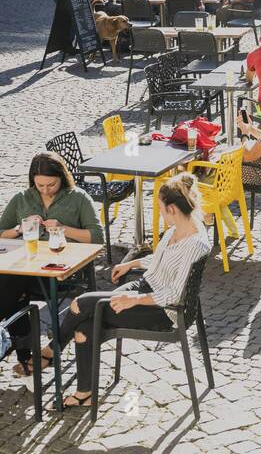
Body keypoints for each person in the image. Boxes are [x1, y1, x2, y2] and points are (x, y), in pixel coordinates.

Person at [53, 173, 210, 410]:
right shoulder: (178, 228)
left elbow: (174, 295)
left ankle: (49, 353)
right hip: (145, 287)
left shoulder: (195, 243)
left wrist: (133, 300)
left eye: (160, 208)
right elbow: (160, 261)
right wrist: (131, 264)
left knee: (82, 304)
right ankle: (84, 391)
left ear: (171, 209)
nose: (159, 212)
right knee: (85, 321)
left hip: (162, 310)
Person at [0, 153, 104, 377]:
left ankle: (19, 351)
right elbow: (1, 232)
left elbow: (97, 237)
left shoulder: (79, 198)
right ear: (32, 181)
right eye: (40, 185)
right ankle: (26, 357)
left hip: (63, 274)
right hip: (26, 270)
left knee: (9, 285)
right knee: (9, 282)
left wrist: (62, 228)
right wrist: (20, 229)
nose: (46, 189)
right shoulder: (22, 198)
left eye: (51, 184)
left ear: (62, 177)